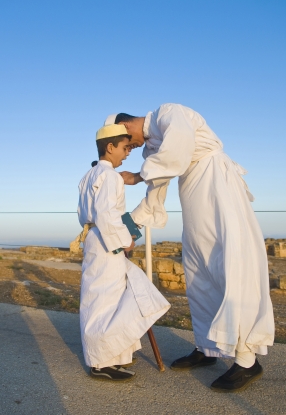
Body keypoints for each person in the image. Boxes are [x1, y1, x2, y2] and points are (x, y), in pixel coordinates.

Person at [105, 104, 275, 392]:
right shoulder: (151, 151)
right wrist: (130, 227)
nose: (129, 150)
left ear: (125, 127)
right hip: (192, 192)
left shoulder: (169, 114)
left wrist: (135, 176)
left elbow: (176, 153)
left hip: (217, 186)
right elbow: (156, 188)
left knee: (230, 265)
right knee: (198, 271)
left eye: (126, 144)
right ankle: (208, 348)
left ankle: (247, 361)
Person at [77, 123, 170, 382]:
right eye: (124, 147)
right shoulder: (107, 177)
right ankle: (100, 362)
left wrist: (140, 175)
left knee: (108, 297)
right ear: (110, 147)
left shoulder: (91, 175)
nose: (127, 152)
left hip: (97, 239)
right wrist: (123, 241)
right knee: (105, 300)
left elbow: (92, 214)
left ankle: (114, 353)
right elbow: (107, 214)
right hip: (107, 241)